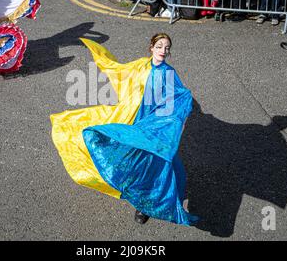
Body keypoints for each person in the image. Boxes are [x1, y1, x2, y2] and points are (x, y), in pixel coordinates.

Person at [51, 33, 199, 225]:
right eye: (160, 46)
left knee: (163, 165)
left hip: (153, 128)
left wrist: (168, 126)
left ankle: (155, 205)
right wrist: (102, 58)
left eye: (167, 48)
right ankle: (141, 200)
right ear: (151, 48)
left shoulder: (168, 73)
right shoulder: (141, 65)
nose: (164, 50)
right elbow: (120, 72)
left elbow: (177, 99)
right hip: (135, 121)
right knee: (134, 162)